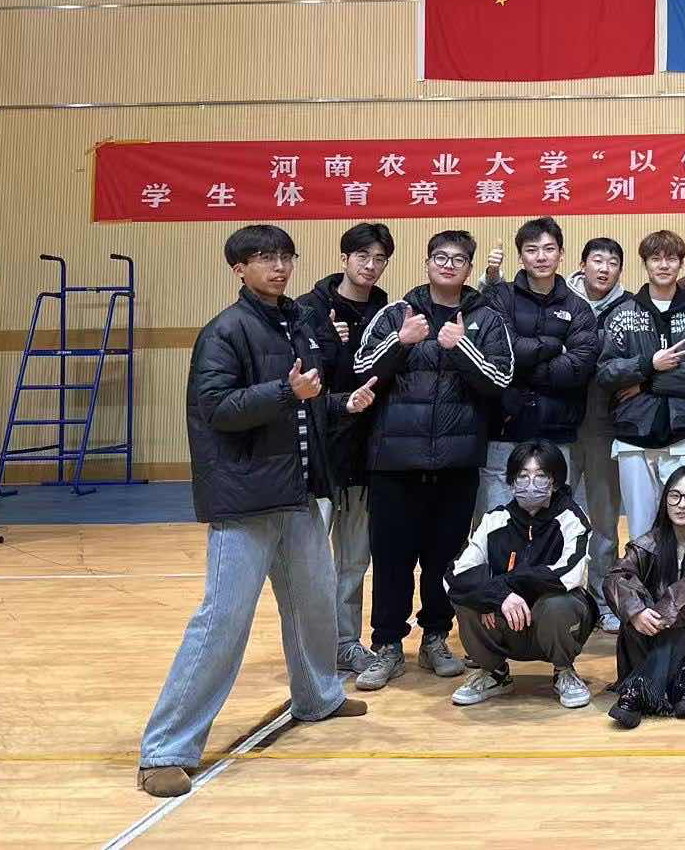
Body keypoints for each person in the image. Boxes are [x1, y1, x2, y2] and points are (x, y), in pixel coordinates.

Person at [137, 225, 374, 799]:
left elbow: (303, 406)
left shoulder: (298, 322)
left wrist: (340, 403)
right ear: (238, 269)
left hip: (297, 495)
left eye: (285, 256)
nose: (279, 266)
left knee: (314, 604)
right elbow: (217, 408)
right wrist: (287, 394)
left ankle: (318, 696)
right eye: (265, 257)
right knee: (223, 620)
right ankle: (165, 749)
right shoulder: (224, 331)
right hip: (244, 500)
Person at [351, 229, 515, 692]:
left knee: (445, 558)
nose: (448, 265)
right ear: (426, 263)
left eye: (458, 259)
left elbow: (500, 380)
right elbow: (360, 370)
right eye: (440, 257)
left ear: (469, 268)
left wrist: (461, 347)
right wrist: (400, 341)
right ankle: (387, 644)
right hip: (394, 461)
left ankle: (436, 638)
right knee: (391, 560)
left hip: (456, 463)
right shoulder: (396, 313)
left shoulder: (487, 318)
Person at [295, 221, 394, 674]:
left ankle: (346, 643)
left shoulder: (386, 312)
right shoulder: (309, 310)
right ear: (344, 258)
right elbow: (306, 379)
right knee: (309, 562)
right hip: (317, 457)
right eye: (362, 257)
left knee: (354, 561)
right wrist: (334, 346)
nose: (370, 266)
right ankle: (308, 648)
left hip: (363, 456)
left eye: (379, 259)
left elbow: (378, 374)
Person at [445, 440, 597, 709]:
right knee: (467, 601)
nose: (531, 484)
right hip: (507, 624)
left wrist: (503, 586)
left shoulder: (573, 519)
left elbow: (567, 576)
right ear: (511, 482)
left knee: (559, 602)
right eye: (523, 476)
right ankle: (494, 673)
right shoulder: (494, 520)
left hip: (551, 622)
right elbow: (455, 575)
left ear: (555, 482)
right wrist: (497, 597)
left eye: (540, 476)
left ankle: (564, 670)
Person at [596, 230, 685, 548]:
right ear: (645, 263)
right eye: (655, 258)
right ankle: (643, 582)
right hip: (632, 435)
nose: (664, 265)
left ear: (681, 263)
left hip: (682, 434)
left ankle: (683, 583)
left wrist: (645, 382)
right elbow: (606, 372)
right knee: (641, 531)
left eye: (671, 258)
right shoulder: (623, 314)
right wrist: (649, 363)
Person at [478, 216, 598, 524]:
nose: (541, 257)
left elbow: (579, 367)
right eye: (532, 250)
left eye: (549, 249)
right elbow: (501, 352)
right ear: (521, 257)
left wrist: (524, 368)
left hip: (556, 429)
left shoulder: (578, 307)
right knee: (496, 523)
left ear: (561, 254)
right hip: (504, 428)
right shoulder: (500, 296)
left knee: (554, 526)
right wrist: (556, 346)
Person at [603, 465, 685, 727]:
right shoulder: (648, 543)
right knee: (635, 605)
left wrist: (667, 611)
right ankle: (684, 680)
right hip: (652, 637)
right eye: (674, 496)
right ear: (665, 501)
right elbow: (615, 577)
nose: (682, 504)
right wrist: (637, 611)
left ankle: (641, 686)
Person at [566, 236, 634, 631]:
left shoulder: (630, 309)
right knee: (556, 515)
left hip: (606, 427)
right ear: (583, 264)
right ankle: (560, 599)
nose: (604, 268)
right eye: (597, 260)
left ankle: (603, 598)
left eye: (612, 262)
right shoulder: (561, 300)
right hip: (560, 426)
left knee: (605, 520)